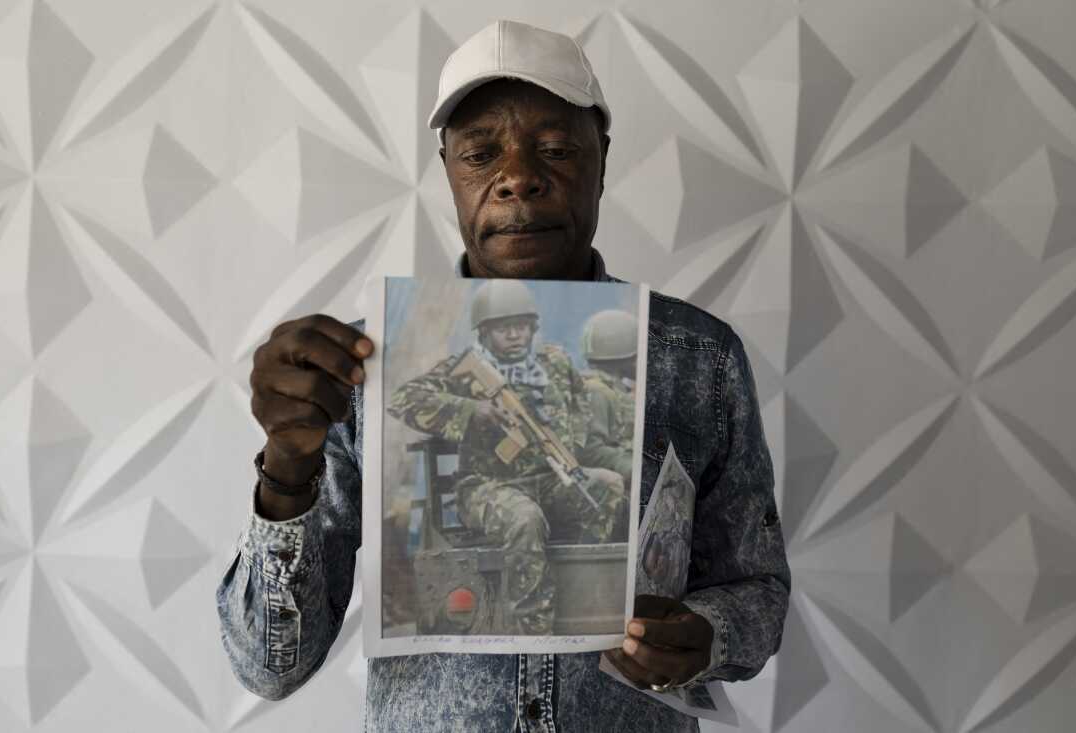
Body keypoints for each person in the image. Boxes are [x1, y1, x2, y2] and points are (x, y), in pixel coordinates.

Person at [216, 19, 790, 732]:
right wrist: (287, 467)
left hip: (550, 480)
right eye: (480, 153)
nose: (517, 176)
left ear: (602, 160)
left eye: (553, 148)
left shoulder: (698, 359)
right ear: (449, 171)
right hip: (482, 486)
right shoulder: (371, 368)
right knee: (519, 514)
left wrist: (707, 632)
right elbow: (269, 665)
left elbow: (758, 591)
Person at [387, 279, 626, 634]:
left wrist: (568, 454)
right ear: (483, 333)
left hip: (549, 478)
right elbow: (402, 399)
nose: (515, 335)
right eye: (503, 328)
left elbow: (579, 411)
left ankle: (580, 606)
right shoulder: (465, 371)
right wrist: (471, 410)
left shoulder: (555, 363)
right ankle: (533, 629)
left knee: (605, 491)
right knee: (525, 519)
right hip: (486, 486)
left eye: (522, 326)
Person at [578, 309, 639, 486]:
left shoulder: (617, 388)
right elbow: (590, 452)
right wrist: (633, 467)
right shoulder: (596, 391)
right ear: (627, 357)